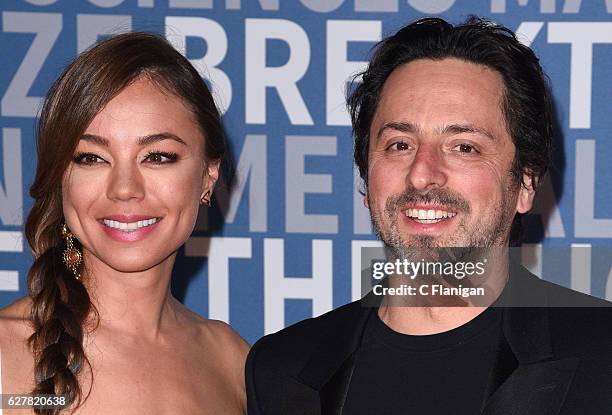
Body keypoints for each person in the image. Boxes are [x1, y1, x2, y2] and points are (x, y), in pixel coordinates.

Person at [245, 17, 612, 415]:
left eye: (464, 147)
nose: (422, 173)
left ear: (525, 183)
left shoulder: (603, 355)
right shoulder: (282, 368)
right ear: (367, 177)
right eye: (400, 144)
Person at [0, 32, 248, 414]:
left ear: (208, 176)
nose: (124, 189)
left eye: (158, 156)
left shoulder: (233, 360)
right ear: (59, 177)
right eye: (92, 158)